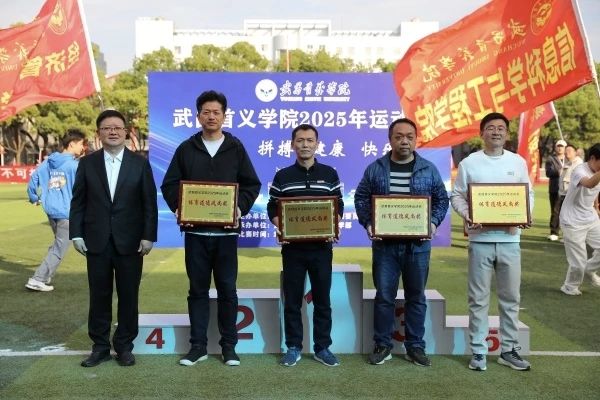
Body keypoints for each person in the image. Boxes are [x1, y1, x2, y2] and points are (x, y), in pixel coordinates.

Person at [161, 90, 261, 367]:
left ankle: (229, 347)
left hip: (226, 235)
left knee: (228, 290)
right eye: (206, 112)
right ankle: (198, 347)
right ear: (198, 116)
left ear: (224, 116)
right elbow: (170, 184)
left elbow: (251, 184)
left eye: (216, 112)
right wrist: (179, 206)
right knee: (197, 291)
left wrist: (238, 208)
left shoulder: (236, 148)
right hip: (195, 235)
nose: (211, 116)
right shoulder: (186, 148)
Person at [354, 117, 449, 367]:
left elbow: (441, 199)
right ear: (390, 140)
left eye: (409, 136)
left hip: (418, 247)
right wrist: (369, 223)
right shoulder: (375, 168)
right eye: (398, 136)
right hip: (385, 247)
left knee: (416, 296)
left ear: (416, 140)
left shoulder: (428, 169)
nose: (404, 141)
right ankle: (382, 344)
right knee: (384, 296)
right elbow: (361, 198)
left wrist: (432, 223)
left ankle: (415, 346)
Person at [70, 109, 158, 368]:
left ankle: (124, 346)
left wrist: (148, 236)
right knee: (99, 296)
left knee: (129, 296)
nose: (112, 132)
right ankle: (100, 347)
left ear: (125, 132)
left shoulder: (139, 163)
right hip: (96, 241)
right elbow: (78, 202)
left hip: (130, 242)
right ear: (99, 133)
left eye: (117, 128)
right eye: (107, 128)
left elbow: (149, 203)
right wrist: (76, 233)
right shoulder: (87, 163)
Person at [451, 112, 533, 372]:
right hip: (481, 241)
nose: (496, 132)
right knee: (478, 299)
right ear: (481, 133)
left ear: (507, 134)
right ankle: (478, 351)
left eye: (500, 128)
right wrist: (469, 214)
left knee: (511, 298)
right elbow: (457, 196)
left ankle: (508, 350)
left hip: (510, 240)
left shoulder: (517, 162)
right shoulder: (469, 163)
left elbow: (527, 194)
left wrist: (525, 215)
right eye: (490, 128)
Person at [267, 124, 344, 367]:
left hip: (321, 249)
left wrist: (333, 224)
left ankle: (323, 348)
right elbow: (272, 206)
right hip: (293, 250)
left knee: (322, 300)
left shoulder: (330, 174)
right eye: (300, 140)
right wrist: (281, 225)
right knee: (292, 301)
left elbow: (339, 205)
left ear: (317, 144)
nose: (305, 145)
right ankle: (293, 347)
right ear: (292, 145)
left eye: (310, 140)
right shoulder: (283, 176)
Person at [25, 129, 86, 292]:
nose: (82, 148)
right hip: (66, 212)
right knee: (60, 247)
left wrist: (34, 197)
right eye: (81, 144)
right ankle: (37, 279)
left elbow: (34, 179)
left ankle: (45, 275)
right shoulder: (75, 166)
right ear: (72, 144)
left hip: (51, 209)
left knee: (58, 244)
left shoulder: (49, 161)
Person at [559, 143, 600, 295]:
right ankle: (570, 287)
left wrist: (596, 206)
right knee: (578, 261)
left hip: (590, 216)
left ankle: (589, 270)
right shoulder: (579, 170)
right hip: (572, 220)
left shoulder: (597, 171)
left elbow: (595, 191)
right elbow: (589, 184)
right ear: (593, 158)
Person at [554, 144, 583, 231]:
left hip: (571, 195)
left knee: (570, 217)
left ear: (575, 152)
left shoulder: (578, 164)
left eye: (570, 151)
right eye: (566, 151)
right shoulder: (567, 163)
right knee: (561, 215)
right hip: (562, 194)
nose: (567, 152)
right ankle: (558, 233)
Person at [545, 139, 567, 241]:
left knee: (567, 212)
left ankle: (566, 233)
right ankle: (554, 232)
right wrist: (559, 171)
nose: (560, 148)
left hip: (567, 189)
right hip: (555, 189)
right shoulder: (551, 159)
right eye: (558, 146)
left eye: (562, 146)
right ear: (555, 147)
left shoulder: (568, 160)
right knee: (555, 211)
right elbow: (548, 173)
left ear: (565, 148)